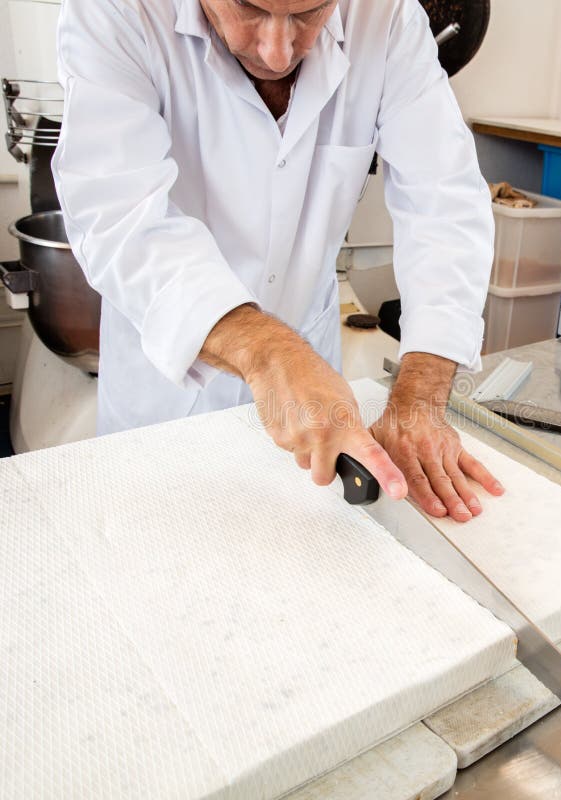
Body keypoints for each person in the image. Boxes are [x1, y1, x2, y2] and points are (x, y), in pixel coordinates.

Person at [53, 0, 504, 521]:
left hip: (314, 397)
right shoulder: (115, 11)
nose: (278, 50)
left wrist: (421, 392)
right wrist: (265, 351)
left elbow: (442, 199)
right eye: (249, 9)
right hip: (163, 398)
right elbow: (118, 214)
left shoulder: (385, 16)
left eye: (309, 15)